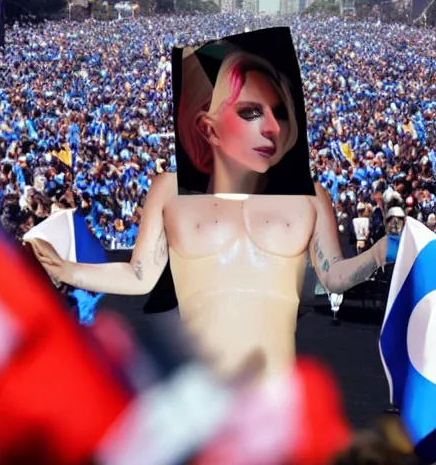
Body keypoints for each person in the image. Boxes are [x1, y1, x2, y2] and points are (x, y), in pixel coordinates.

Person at [29, 32, 394, 381]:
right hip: (198, 406)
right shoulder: (170, 190)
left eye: (279, 112)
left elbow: (334, 277)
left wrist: (382, 252)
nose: (271, 127)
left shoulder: (308, 196)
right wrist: (66, 271)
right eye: (251, 112)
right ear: (209, 127)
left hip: (275, 406)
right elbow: (139, 276)